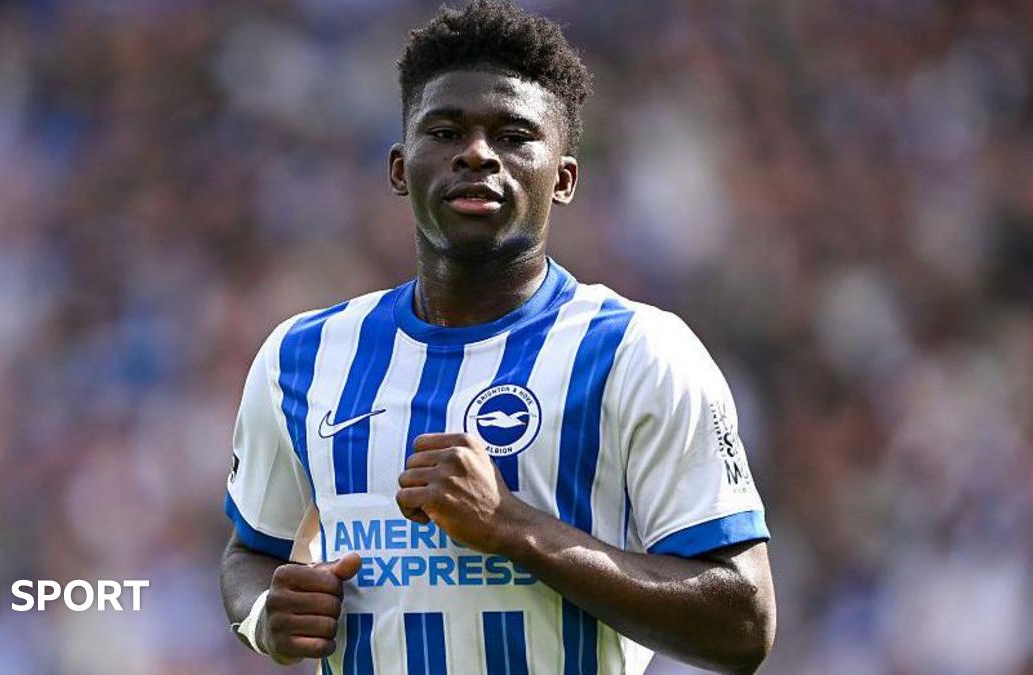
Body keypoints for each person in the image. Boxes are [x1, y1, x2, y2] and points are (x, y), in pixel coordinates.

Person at [219, 2, 775, 673]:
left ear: (563, 179)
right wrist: (265, 616)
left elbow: (743, 622)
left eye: (513, 135)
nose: (477, 153)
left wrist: (511, 527)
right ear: (399, 168)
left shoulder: (638, 353)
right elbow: (251, 551)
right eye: (445, 131)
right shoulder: (301, 357)